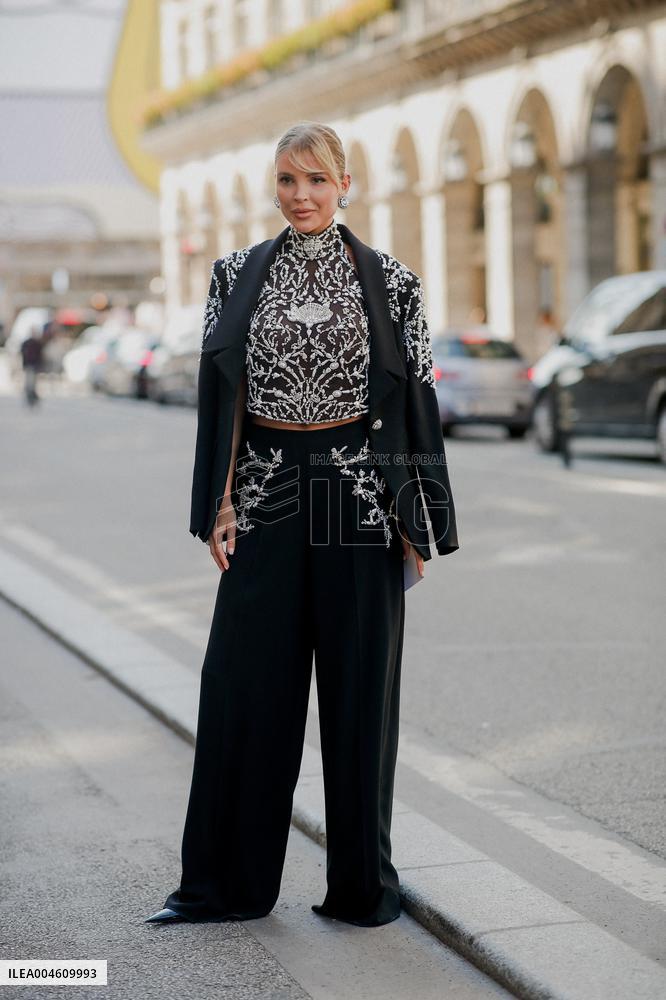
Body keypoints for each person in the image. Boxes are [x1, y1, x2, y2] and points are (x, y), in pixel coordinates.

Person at [146, 121, 459, 929]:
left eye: (316, 180)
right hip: (269, 494)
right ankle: (222, 888)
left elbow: (415, 403)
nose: (301, 196)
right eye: (287, 181)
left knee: (360, 699)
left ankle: (363, 892)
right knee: (244, 693)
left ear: (345, 183)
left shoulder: (393, 282)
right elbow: (223, 405)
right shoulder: (235, 276)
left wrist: (421, 524)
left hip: (359, 495)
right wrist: (216, 505)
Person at [20, 326, 44, 406]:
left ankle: (32, 396)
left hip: (34, 364)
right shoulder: (27, 343)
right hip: (29, 364)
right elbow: (23, 354)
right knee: (29, 381)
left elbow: (40, 355)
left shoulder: (37, 343)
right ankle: (30, 395)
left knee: (33, 381)